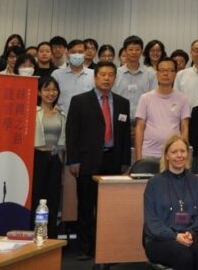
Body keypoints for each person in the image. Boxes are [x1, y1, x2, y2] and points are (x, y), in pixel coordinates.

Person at [66, 61, 132, 259]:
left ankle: (106, 247)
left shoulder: (122, 103)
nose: (106, 78)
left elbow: (125, 135)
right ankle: (85, 249)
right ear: (95, 77)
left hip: (113, 160)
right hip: (87, 161)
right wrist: (73, 161)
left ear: (115, 78)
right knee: (86, 206)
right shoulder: (79, 101)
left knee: (109, 207)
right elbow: (72, 133)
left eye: (111, 74)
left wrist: (125, 161)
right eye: (102, 74)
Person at [142, 135, 198, 270]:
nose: (179, 155)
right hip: (160, 240)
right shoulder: (154, 183)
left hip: (189, 235)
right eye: (174, 152)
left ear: (188, 154)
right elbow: (152, 223)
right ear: (166, 156)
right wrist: (175, 236)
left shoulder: (196, 182)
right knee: (184, 254)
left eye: (183, 151)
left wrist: (190, 234)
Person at [135, 58, 191, 161]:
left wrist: (182, 151)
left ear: (175, 74)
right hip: (149, 153)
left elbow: (184, 128)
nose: (166, 74)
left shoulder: (183, 99)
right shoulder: (145, 98)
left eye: (170, 70)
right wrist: (138, 158)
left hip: (173, 154)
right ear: (157, 74)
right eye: (162, 70)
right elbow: (139, 128)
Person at [33, 76, 66, 239]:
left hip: (55, 160)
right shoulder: (32, 112)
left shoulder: (61, 114)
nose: (50, 93)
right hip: (37, 159)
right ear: (39, 92)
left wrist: (61, 162)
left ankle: (51, 236)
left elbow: (63, 141)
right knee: (36, 199)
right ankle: (35, 234)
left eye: (54, 89)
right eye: (46, 89)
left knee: (53, 200)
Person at [113, 35, 156, 124]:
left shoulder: (150, 74)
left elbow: (154, 99)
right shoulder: (116, 73)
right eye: (131, 49)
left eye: (137, 49)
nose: (134, 52)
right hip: (119, 118)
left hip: (143, 119)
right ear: (125, 51)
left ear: (142, 51)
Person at [52, 39, 95, 114]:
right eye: (73, 52)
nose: (77, 55)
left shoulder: (93, 74)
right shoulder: (57, 74)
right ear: (67, 53)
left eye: (80, 52)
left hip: (87, 119)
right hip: (62, 118)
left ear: (85, 53)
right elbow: (50, 96)